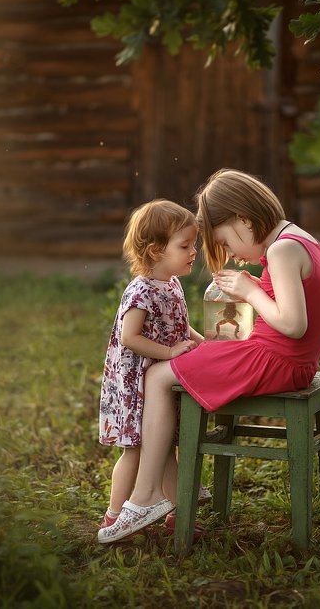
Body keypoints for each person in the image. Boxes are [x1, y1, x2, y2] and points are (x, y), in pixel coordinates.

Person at [98, 169, 320, 543]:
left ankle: (145, 497)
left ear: (243, 219)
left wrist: (250, 290)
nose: (232, 254)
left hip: (277, 360)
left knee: (158, 376)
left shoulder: (282, 250)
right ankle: (164, 493)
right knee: (195, 356)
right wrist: (257, 287)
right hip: (289, 360)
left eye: (226, 241)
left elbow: (293, 325)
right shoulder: (298, 238)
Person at [97, 199, 205, 532]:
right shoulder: (140, 290)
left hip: (157, 380)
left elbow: (179, 325)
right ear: (156, 250)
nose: (194, 251)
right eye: (185, 245)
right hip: (135, 384)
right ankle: (116, 514)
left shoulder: (171, 284)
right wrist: (170, 354)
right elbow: (129, 337)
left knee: (164, 447)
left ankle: (176, 515)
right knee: (135, 451)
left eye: (194, 244)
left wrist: (203, 342)